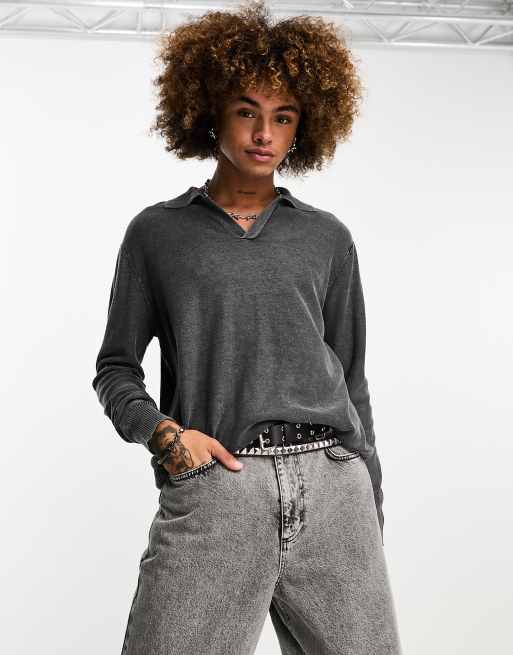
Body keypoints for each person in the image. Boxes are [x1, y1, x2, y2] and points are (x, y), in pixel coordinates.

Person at [92, 1, 403, 653]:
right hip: (220, 484)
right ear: (210, 112)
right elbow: (116, 369)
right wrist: (164, 436)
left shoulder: (326, 237)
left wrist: (368, 506)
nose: (264, 133)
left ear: (303, 127)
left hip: (334, 483)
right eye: (246, 111)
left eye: (283, 117)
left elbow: (351, 380)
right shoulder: (158, 234)